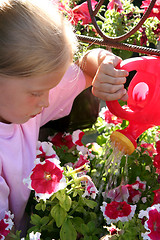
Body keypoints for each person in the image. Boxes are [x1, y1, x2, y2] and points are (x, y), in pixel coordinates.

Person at [0, 0, 128, 236]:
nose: (47, 101)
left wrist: (103, 65)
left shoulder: (19, 104)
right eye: (38, 93)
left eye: (51, 88)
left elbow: (85, 69)